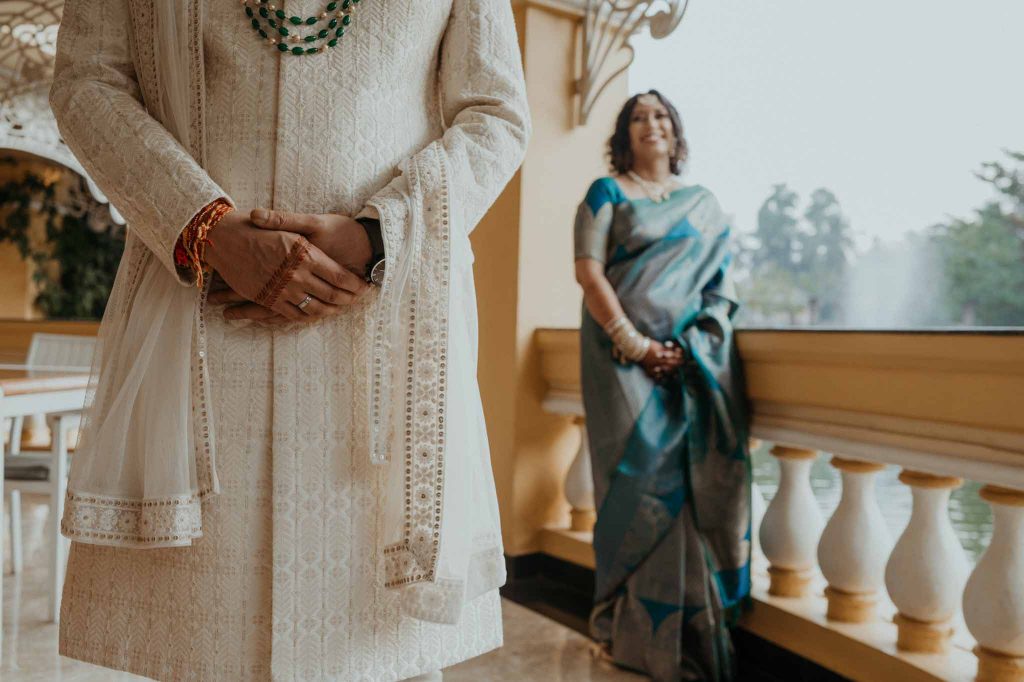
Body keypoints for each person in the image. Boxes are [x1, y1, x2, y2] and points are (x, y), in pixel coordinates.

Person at [48, 1, 530, 680]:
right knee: (201, 654)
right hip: (201, 332)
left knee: (376, 656)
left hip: (378, 346)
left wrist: (378, 236)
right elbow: (87, 83)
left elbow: (496, 113)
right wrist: (205, 227)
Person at [573, 90, 752, 681]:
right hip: (618, 360)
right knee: (632, 484)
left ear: (676, 133)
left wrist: (690, 345)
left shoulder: (703, 205)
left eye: (661, 116)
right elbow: (588, 269)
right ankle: (624, 630)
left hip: (687, 366)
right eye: (638, 118)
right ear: (624, 135)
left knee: (685, 499)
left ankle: (689, 644)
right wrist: (633, 342)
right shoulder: (608, 193)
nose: (651, 125)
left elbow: (721, 288)